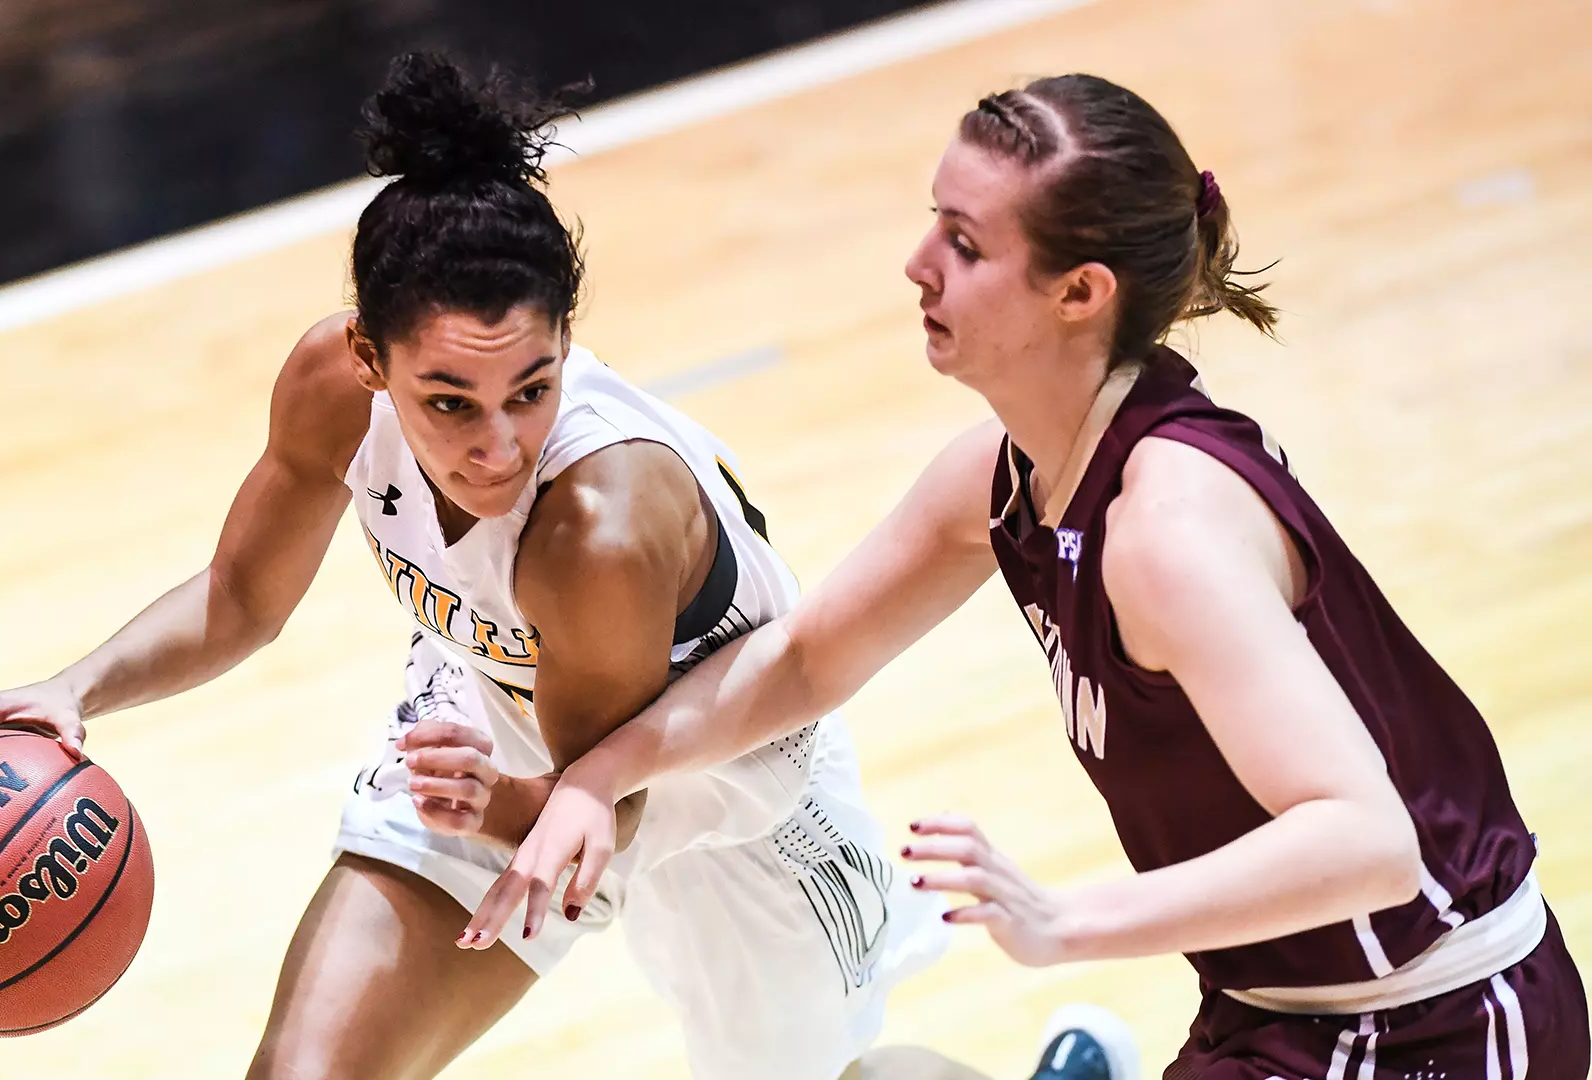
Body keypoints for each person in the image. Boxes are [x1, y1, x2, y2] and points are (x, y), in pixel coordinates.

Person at [0, 53, 1123, 1080]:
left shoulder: (599, 527)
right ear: (368, 356)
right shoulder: (327, 386)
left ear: (569, 337)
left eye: (531, 386)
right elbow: (244, 600)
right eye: (449, 402)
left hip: (716, 789)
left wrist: (500, 801)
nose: (498, 442)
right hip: (499, 737)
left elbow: (604, 800)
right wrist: (74, 691)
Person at [464, 74, 1592, 1079]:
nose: (919, 266)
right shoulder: (1005, 480)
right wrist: (593, 780)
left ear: (1077, 293)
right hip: (1268, 1011)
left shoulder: (1167, 533)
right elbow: (807, 659)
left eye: (963, 242)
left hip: (1434, 1024)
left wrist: (1068, 920)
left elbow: (1368, 840)